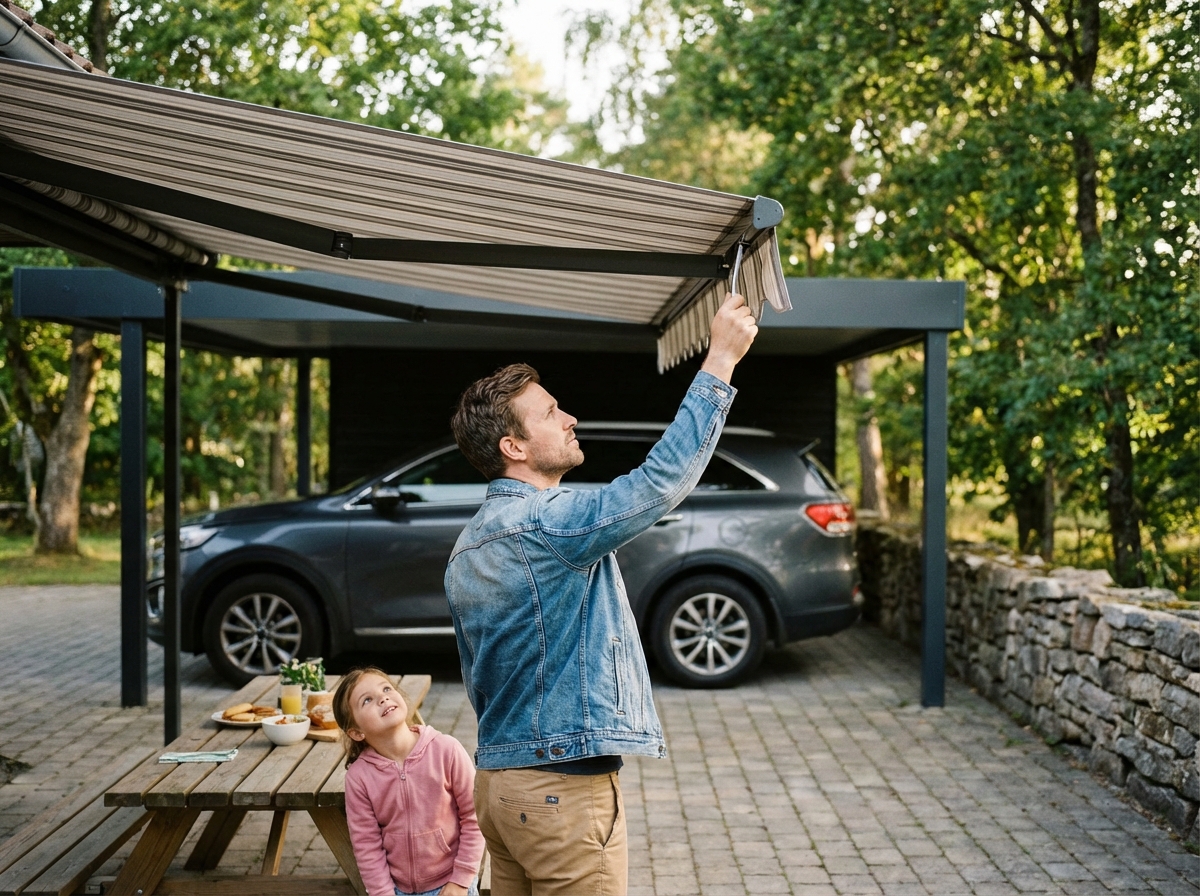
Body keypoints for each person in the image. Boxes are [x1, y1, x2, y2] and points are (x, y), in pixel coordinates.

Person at [444, 291, 759, 895]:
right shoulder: (544, 522)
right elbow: (658, 484)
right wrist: (720, 360)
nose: (570, 419)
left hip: (502, 790)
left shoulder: (468, 544)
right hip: (559, 793)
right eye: (551, 412)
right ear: (515, 448)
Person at [333, 666, 485, 896]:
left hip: (452, 884)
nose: (383, 698)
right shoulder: (359, 778)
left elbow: (475, 817)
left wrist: (461, 881)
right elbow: (367, 846)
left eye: (386, 688)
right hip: (398, 890)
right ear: (356, 732)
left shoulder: (446, 750)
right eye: (367, 700)